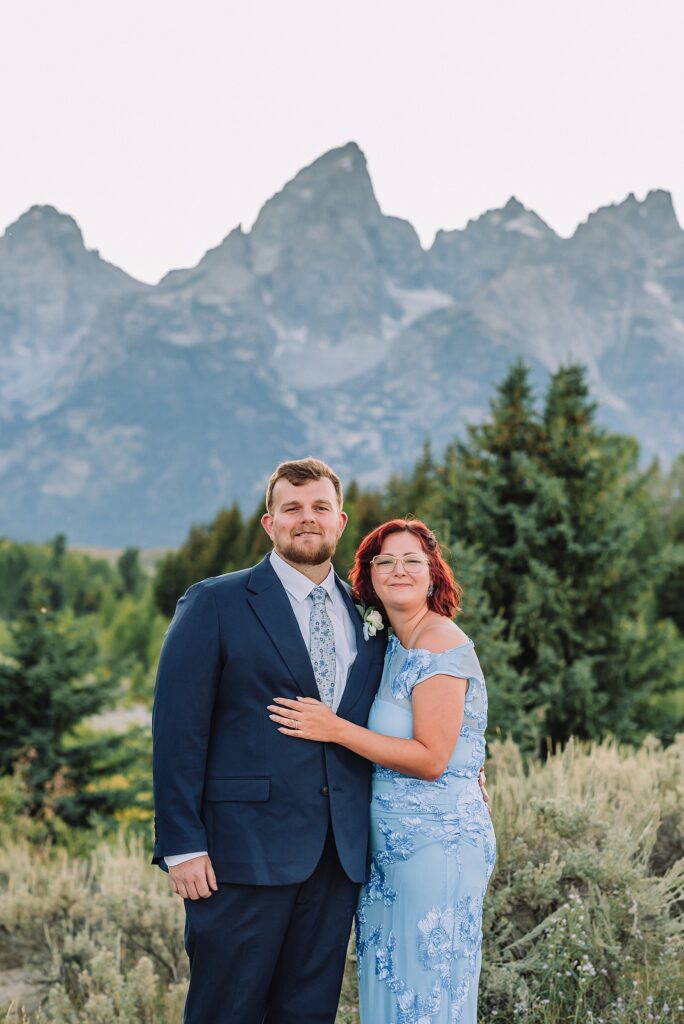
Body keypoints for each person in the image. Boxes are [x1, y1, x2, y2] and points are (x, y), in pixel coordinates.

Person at [151, 457, 388, 1023]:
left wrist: (459, 765)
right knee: (225, 1011)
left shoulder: (371, 613)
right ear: (269, 523)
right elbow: (178, 730)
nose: (307, 519)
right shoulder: (215, 602)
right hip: (240, 855)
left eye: (319, 508)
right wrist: (182, 843)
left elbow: (397, 711)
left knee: (307, 1013)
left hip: (338, 857)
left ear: (340, 521)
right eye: (292, 509)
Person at [268, 518, 495, 1024]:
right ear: (367, 578)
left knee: (425, 990)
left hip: (434, 843)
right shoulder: (388, 640)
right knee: (390, 984)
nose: (398, 570)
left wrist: (334, 729)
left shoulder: (438, 643)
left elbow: (434, 759)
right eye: (385, 561)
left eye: (412, 560)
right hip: (386, 851)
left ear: (434, 575)